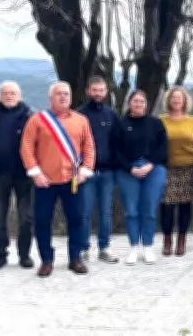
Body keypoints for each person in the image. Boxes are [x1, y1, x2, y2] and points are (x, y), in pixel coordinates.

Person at [20, 81, 95, 277]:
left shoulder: (81, 120)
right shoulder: (37, 120)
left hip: (73, 180)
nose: (63, 97)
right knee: (43, 221)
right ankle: (46, 260)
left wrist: (85, 170)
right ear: (50, 97)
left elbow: (89, 148)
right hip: (45, 181)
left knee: (76, 219)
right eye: (58, 94)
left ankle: (75, 258)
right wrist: (35, 173)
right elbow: (26, 148)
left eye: (66, 94)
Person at [0, 81, 35, 270]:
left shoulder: (31, 116)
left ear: (20, 95)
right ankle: (0, 254)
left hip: (24, 174)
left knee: (26, 217)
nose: (9, 96)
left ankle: (24, 254)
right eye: (6, 93)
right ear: (0, 95)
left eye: (13, 93)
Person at [116, 90, 168, 265]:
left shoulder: (155, 123)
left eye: (142, 101)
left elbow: (163, 148)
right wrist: (130, 168)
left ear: (147, 104)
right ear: (129, 103)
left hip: (153, 169)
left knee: (150, 209)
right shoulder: (121, 124)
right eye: (135, 101)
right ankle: (134, 247)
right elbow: (116, 151)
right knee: (131, 211)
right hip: (127, 171)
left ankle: (148, 246)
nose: (139, 104)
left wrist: (150, 165)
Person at [76, 76, 120, 264]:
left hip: (108, 172)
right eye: (94, 90)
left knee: (105, 212)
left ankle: (104, 248)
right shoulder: (78, 115)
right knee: (84, 212)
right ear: (88, 91)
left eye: (101, 90)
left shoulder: (111, 115)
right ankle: (83, 249)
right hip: (86, 172)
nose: (98, 94)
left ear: (106, 91)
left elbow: (118, 142)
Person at [159, 86, 193, 257]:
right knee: (167, 206)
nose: (176, 100)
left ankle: (181, 240)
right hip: (167, 168)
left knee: (185, 205)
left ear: (185, 101)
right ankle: (167, 239)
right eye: (173, 98)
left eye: (179, 98)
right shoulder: (161, 120)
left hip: (188, 168)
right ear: (168, 100)